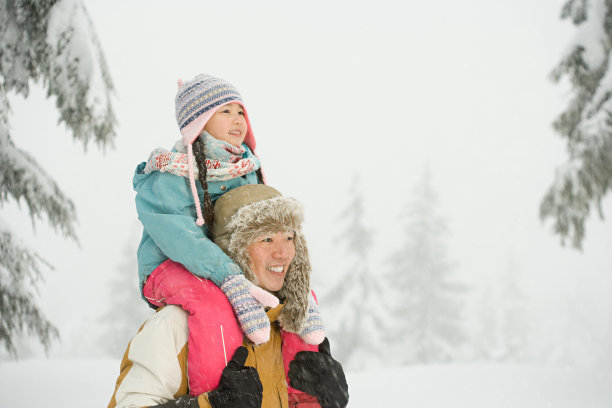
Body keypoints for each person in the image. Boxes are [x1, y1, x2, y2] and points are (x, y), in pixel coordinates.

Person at [133, 74, 324, 395]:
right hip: (171, 267)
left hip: (227, 266)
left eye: (240, 111)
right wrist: (228, 276)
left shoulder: (245, 167)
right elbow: (178, 237)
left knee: (299, 297)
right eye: (225, 111)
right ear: (199, 120)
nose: (238, 120)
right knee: (213, 304)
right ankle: (221, 393)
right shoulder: (169, 173)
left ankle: (305, 394)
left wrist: (294, 276)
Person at [108, 185, 349, 408]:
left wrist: (322, 401)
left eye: (289, 237)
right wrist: (208, 405)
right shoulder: (176, 324)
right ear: (233, 249)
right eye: (267, 239)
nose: (283, 253)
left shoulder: (287, 325)